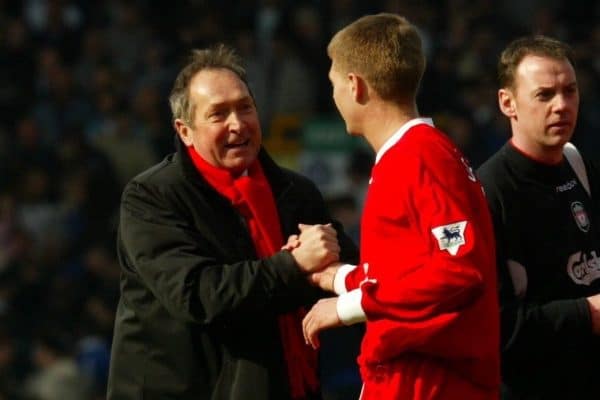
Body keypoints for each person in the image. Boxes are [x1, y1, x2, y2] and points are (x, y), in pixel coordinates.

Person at [106, 44, 359, 400]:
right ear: (185, 131)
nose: (238, 124)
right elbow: (197, 296)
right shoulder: (151, 197)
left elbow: (345, 264)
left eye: (245, 108)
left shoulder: (293, 190)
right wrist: (292, 264)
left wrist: (323, 263)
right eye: (218, 114)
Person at [301, 13, 500, 400]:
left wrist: (345, 307)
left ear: (354, 86)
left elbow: (457, 272)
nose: (333, 97)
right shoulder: (410, 155)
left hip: (429, 381)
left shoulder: (421, 156)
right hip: (409, 377)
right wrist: (339, 278)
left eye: (332, 85)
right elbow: (408, 271)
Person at [477, 35, 600, 399]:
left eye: (570, 91)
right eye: (544, 95)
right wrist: (587, 312)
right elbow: (492, 326)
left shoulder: (580, 166)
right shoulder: (488, 193)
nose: (562, 105)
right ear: (507, 103)